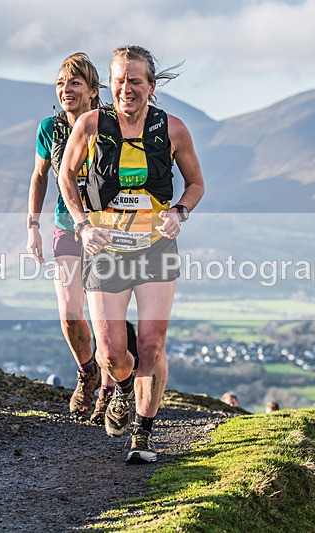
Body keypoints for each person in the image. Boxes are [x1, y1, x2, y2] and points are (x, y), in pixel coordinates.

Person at [59, 45, 205, 463]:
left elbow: (196, 184)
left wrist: (180, 212)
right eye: (120, 80)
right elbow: (67, 178)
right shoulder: (90, 124)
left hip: (156, 247)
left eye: (135, 81)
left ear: (151, 86)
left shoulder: (172, 129)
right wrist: (82, 225)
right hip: (105, 248)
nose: (127, 88)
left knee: (152, 344)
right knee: (111, 351)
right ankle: (121, 389)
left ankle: (142, 435)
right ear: (111, 84)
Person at [26, 52, 117, 422]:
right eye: (61, 83)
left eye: (75, 83)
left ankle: (111, 390)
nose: (66, 89)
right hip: (67, 225)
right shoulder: (49, 128)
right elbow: (40, 177)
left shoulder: (110, 124)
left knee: (106, 319)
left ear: (93, 91)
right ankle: (87, 372)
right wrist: (31, 226)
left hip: (109, 229)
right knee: (69, 313)